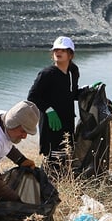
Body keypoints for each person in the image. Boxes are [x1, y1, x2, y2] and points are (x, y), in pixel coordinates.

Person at [27, 36, 82, 169]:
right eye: (56, 50)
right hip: (51, 123)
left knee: (66, 155)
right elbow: (32, 96)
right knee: (52, 157)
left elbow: (71, 93)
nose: (58, 52)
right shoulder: (47, 74)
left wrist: (89, 91)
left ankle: (62, 182)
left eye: (63, 50)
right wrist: (49, 110)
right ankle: (47, 182)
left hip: (67, 121)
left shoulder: (73, 71)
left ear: (70, 54)